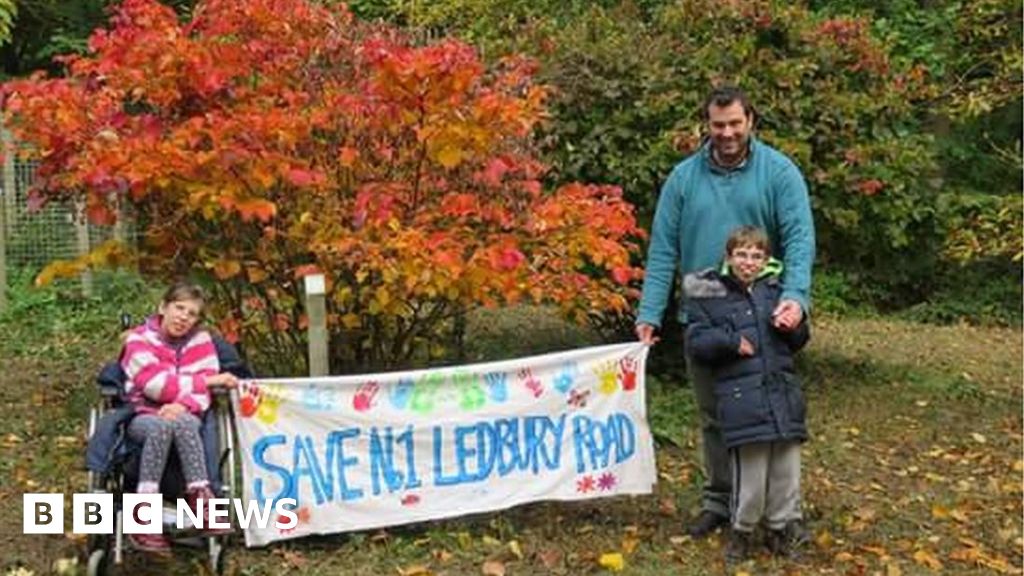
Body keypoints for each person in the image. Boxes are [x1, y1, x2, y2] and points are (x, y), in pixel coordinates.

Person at [634, 85, 815, 538]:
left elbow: (800, 238)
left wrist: (796, 295)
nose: (728, 133)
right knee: (714, 414)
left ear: (750, 119)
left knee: (767, 416)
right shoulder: (683, 179)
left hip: (762, 307)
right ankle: (720, 499)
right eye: (719, 125)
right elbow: (662, 250)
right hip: (706, 307)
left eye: (735, 123)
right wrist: (650, 312)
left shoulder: (779, 172)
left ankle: (777, 515)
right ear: (706, 126)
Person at [682, 226, 810, 561]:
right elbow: (696, 342)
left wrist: (794, 324)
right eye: (741, 254)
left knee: (786, 468)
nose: (748, 262)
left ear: (766, 260)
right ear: (729, 257)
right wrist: (729, 341)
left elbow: (799, 339)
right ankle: (742, 530)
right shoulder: (709, 291)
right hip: (742, 399)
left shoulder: (777, 290)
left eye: (756, 256)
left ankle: (781, 528)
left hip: (781, 393)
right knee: (750, 474)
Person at [121, 282, 239, 554]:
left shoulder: (201, 341)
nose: (184, 317)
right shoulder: (137, 341)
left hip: (187, 413)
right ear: (163, 307)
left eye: (192, 313)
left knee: (182, 420)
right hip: (143, 414)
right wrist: (206, 381)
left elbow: (203, 397)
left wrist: (184, 403)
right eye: (179, 308)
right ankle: (144, 515)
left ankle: (202, 501)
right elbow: (156, 386)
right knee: (163, 424)